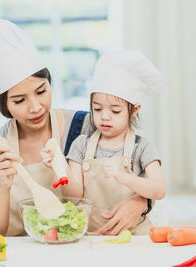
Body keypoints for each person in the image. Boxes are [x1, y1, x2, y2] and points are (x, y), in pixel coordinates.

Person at [0, 19, 151, 236]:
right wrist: (3, 187)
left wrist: (141, 202)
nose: (36, 107)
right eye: (19, 100)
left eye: (41, 91)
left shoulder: (89, 127)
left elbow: (146, 172)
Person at [42, 50, 166, 234]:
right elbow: (75, 198)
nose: (105, 117)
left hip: (134, 237)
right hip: (92, 236)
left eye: (115, 111)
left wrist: (126, 178)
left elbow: (159, 189)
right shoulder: (81, 145)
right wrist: (59, 165)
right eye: (97, 109)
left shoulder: (142, 147)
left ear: (134, 110)